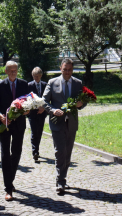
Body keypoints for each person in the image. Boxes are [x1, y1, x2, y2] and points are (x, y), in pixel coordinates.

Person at [43, 59, 87, 196]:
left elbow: (84, 100)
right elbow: (43, 101)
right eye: (65, 69)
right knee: (60, 152)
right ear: (60, 68)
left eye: (69, 69)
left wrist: (81, 104)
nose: (67, 72)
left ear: (72, 70)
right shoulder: (52, 82)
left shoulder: (77, 83)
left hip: (72, 123)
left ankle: (63, 177)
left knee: (67, 153)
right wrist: (52, 111)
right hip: (57, 123)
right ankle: (60, 181)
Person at [0, 60, 31, 201]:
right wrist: (0, 116)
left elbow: (28, 103)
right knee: (5, 154)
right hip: (5, 124)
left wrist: (27, 111)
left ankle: (10, 178)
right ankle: (8, 188)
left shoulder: (23, 84)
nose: (13, 72)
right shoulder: (0, 86)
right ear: (6, 71)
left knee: (17, 152)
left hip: (19, 124)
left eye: (15, 70)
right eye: (11, 70)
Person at [27, 66, 48, 163]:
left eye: (38, 76)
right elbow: (27, 99)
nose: (36, 78)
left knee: (39, 131)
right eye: (35, 76)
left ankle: (37, 149)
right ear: (32, 76)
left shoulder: (45, 85)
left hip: (42, 112)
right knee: (34, 131)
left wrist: (43, 108)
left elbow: (48, 98)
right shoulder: (29, 85)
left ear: (41, 76)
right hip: (33, 113)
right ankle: (35, 151)